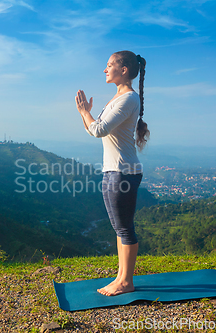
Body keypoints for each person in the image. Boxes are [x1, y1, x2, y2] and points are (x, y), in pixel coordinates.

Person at [75, 50, 150, 296]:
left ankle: (126, 282)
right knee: (119, 227)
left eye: (109, 65)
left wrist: (86, 112)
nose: (105, 70)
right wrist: (84, 114)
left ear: (124, 69)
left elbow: (98, 130)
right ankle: (121, 277)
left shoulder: (128, 99)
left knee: (125, 227)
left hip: (124, 172)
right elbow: (94, 130)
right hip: (113, 170)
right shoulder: (116, 99)